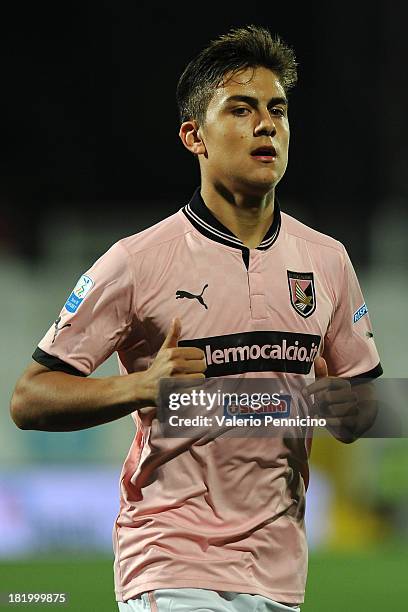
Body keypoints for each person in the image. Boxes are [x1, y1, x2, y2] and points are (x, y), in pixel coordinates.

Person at [10, 25, 382, 612]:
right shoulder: (138, 261)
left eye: (277, 110)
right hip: (171, 562)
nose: (266, 125)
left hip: (281, 574)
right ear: (194, 136)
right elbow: (29, 400)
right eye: (241, 109)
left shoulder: (327, 260)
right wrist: (139, 386)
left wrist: (348, 408)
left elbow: (361, 404)